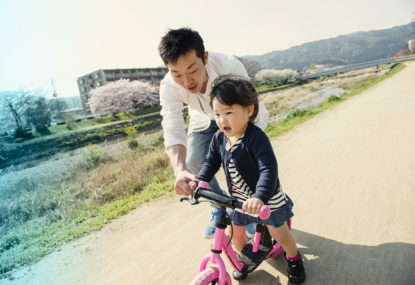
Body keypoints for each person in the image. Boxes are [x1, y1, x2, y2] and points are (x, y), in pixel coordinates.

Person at [158, 27, 269, 238]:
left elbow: (248, 109)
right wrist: (179, 170)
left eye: (193, 70)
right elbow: (171, 125)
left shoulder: (230, 67)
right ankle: (221, 209)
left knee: (242, 162)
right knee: (193, 164)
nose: (187, 81)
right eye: (177, 74)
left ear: (205, 57)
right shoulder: (168, 86)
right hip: (202, 118)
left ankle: (252, 213)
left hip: (238, 114)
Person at [195, 75, 306, 284]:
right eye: (217, 114)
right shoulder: (219, 138)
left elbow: (268, 169)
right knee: (236, 236)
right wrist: (200, 181)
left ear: (249, 110)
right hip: (238, 200)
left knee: (279, 233)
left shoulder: (256, 138)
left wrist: (260, 197)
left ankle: (294, 258)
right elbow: (211, 162)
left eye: (228, 112)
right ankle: (243, 259)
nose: (222, 120)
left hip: (266, 199)